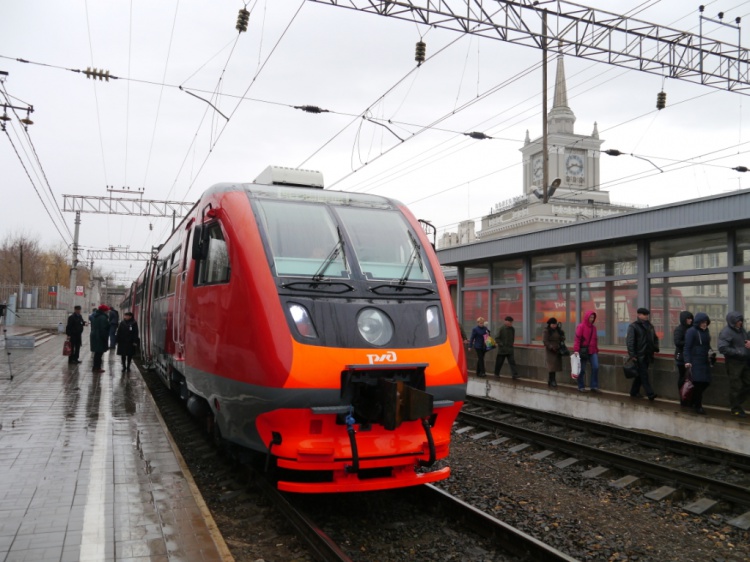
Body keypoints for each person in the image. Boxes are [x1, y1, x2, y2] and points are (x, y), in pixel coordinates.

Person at [717, 311, 750, 418]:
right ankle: (735, 408)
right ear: (732, 322)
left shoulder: (742, 330)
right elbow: (722, 348)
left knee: (748, 383)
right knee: (736, 386)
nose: (740, 322)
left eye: (741, 320)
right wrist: (738, 352)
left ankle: (737, 402)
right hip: (733, 362)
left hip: (744, 361)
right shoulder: (726, 332)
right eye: (738, 321)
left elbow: (745, 341)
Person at [626, 307, 660, 400]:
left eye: (647, 314)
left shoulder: (650, 326)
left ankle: (634, 391)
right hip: (639, 355)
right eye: (644, 314)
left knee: (640, 375)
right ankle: (650, 394)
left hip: (648, 355)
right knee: (644, 375)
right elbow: (630, 342)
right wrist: (632, 355)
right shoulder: (633, 326)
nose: (646, 316)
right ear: (638, 315)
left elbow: (655, 338)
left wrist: (655, 347)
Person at [683, 312, 713, 415]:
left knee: (706, 382)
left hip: (704, 360)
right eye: (702, 322)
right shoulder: (691, 331)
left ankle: (694, 401)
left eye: (706, 322)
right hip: (695, 361)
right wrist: (687, 361)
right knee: (698, 384)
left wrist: (711, 354)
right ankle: (698, 405)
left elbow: (707, 345)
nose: (704, 324)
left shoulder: (706, 332)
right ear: (698, 322)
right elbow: (687, 347)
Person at [573, 310, 599, 392]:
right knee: (582, 369)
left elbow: (595, 340)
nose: (592, 319)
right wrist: (576, 350)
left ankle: (594, 386)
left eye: (593, 317)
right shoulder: (581, 326)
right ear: (587, 317)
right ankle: (581, 386)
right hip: (583, 350)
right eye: (590, 317)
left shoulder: (594, 328)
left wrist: (596, 349)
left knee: (595, 367)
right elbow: (577, 339)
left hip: (593, 350)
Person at [673, 311, 694, 406]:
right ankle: (683, 397)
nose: (690, 320)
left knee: (691, 379)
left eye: (691, 318)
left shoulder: (692, 329)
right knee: (683, 378)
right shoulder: (679, 329)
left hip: (690, 357)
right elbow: (677, 342)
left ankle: (689, 398)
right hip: (681, 357)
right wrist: (688, 343)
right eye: (688, 318)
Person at [542, 317, 565, 388]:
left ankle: (551, 380)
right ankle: (552, 380)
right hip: (550, 351)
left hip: (557, 349)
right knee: (551, 366)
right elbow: (545, 341)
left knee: (555, 366)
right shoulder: (546, 331)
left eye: (555, 324)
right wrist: (551, 347)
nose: (554, 326)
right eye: (553, 324)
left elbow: (562, 338)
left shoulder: (558, 330)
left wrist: (562, 336)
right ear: (550, 324)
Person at [90, 304, 110, 373]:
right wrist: (105, 338)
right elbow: (103, 329)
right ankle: (97, 368)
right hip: (99, 337)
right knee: (99, 353)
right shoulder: (103, 318)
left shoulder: (97, 316)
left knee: (97, 353)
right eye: (107, 310)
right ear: (104, 311)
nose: (108, 312)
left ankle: (95, 367)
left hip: (96, 336)